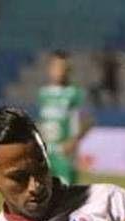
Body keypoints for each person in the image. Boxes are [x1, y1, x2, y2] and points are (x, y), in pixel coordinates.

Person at [37, 50, 92, 185]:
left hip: (64, 152)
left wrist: (74, 141)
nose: (59, 71)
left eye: (63, 68)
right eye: (56, 67)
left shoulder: (75, 93)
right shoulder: (44, 93)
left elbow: (88, 120)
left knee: (67, 195)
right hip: (46, 151)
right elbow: (41, 121)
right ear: (49, 69)